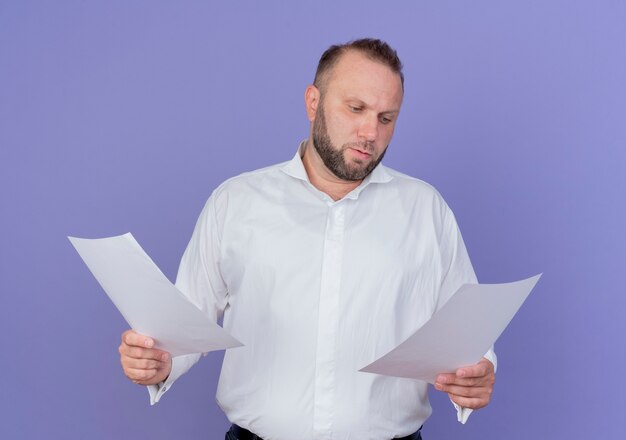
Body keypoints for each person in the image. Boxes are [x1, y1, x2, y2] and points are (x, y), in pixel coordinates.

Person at [118, 38, 496, 440]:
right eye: (356, 109)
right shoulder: (235, 203)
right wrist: (158, 362)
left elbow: (467, 333)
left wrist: (477, 373)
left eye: (387, 118)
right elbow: (185, 323)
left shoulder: (426, 210)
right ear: (313, 102)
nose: (370, 131)